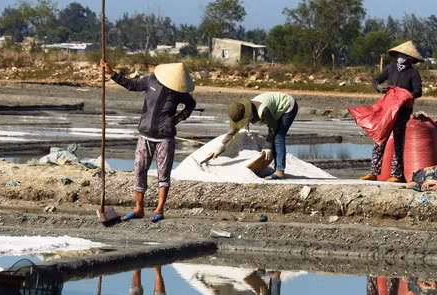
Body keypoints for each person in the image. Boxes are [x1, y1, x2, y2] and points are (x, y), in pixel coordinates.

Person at [101, 60, 196, 223]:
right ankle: (139, 208)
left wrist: (179, 118)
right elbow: (131, 85)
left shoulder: (178, 91)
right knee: (139, 170)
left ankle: (159, 209)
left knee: (163, 174)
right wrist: (112, 73)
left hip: (165, 137)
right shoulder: (151, 80)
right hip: (145, 135)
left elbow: (191, 104)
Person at [361, 40, 424, 183]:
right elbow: (376, 80)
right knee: (379, 140)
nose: (400, 57)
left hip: (402, 112)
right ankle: (373, 172)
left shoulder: (413, 73)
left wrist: (406, 95)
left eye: (403, 55)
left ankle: (397, 174)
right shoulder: (391, 69)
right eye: (399, 54)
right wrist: (379, 88)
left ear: (409, 58)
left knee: (398, 142)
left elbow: (418, 91)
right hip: (387, 111)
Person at [213, 92, 298, 180]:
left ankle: (280, 171)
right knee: (274, 137)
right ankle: (277, 168)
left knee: (278, 136)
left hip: (287, 105)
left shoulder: (263, 110)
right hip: (273, 109)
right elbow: (234, 129)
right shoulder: (244, 110)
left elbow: (273, 128)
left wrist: (268, 146)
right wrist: (221, 146)